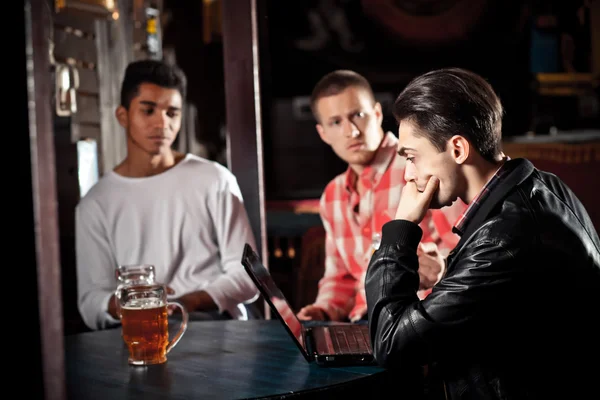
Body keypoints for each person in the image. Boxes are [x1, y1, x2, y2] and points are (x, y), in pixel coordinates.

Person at [365, 67, 600, 398]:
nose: (409, 175)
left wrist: (400, 230)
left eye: (413, 157)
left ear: (458, 149)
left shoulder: (506, 235)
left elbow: (391, 345)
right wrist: (447, 273)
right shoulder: (542, 185)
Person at [76, 60, 259, 330]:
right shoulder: (95, 202)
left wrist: (188, 302)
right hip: (138, 331)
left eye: (172, 113)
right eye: (148, 111)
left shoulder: (214, 179)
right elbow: (92, 301)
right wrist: (128, 303)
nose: (162, 122)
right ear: (123, 116)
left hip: (213, 325)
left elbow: (249, 276)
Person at [297, 70, 466, 323]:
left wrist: (440, 267)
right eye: (336, 122)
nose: (351, 132)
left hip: (422, 323)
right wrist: (322, 311)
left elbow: (469, 252)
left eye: (358, 115)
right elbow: (339, 278)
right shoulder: (332, 196)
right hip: (365, 324)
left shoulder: (421, 167)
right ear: (323, 133)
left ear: (377, 114)